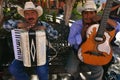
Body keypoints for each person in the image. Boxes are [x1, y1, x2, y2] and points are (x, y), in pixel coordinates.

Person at [3, 1, 58, 80]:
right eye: (27, 14)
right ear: (24, 16)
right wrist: (18, 25)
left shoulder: (44, 24)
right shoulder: (20, 23)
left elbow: (55, 36)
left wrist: (45, 29)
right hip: (22, 56)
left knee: (42, 70)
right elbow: (5, 25)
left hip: (41, 56)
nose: (30, 16)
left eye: (32, 13)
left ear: (37, 14)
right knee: (13, 68)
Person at [66, 0, 120, 80]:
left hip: (93, 53)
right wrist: (81, 34)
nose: (89, 16)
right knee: (70, 69)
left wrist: (102, 18)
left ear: (95, 14)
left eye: (92, 13)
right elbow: (70, 41)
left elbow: (118, 27)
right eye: (86, 13)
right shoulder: (76, 25)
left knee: (99, 71)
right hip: (76, 51)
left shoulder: (100, 24)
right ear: (82, 14)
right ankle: (77, 78)